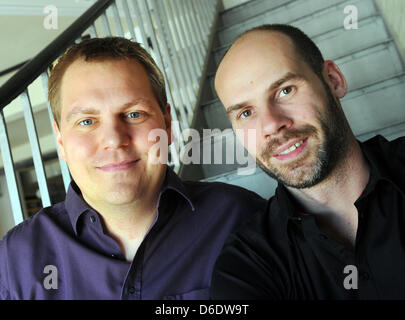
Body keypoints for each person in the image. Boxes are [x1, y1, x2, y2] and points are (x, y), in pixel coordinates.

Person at [0, 37, 266, 300]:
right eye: (87, 121)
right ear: (60, 140)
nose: (114, 139)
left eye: (134, 114)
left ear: (167, 124)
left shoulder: (242, 218)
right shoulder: (15, 260)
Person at [211, 24, 405, 299]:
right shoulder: (246, 267)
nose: (271, 125)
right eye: (245, 112)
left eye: (285, 91)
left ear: (333, 79)